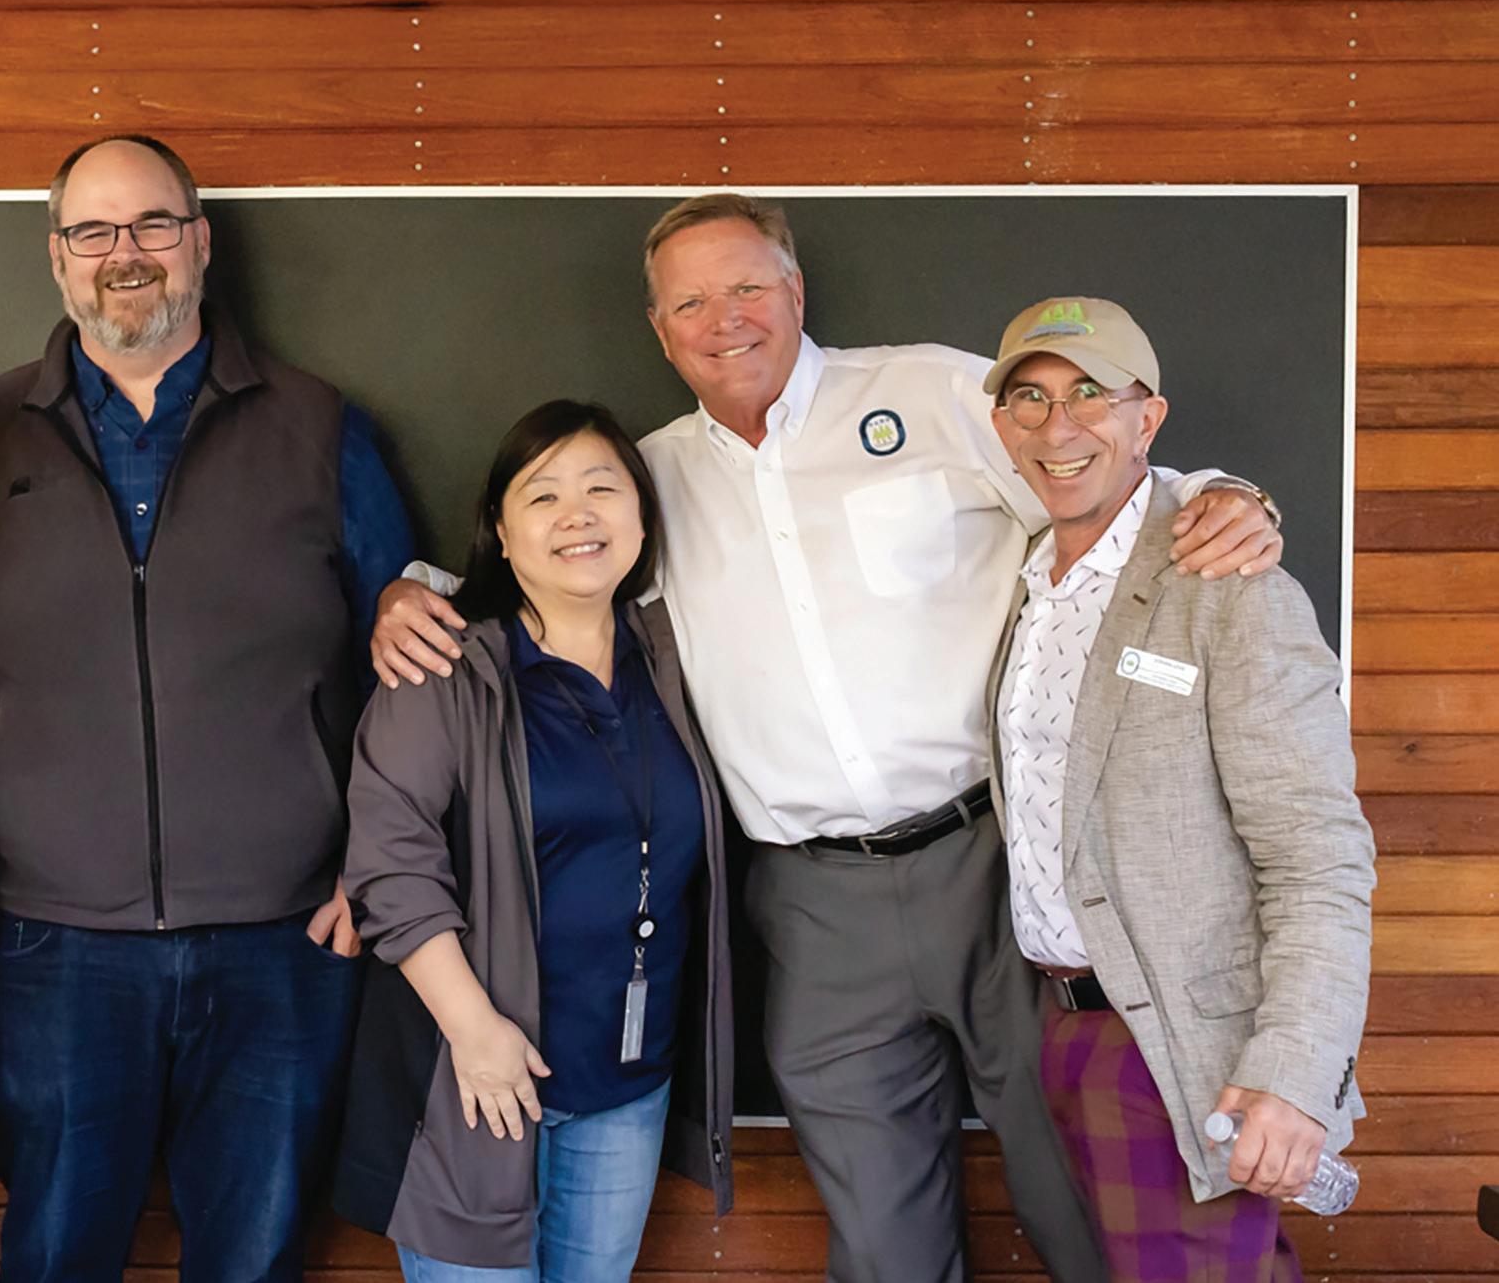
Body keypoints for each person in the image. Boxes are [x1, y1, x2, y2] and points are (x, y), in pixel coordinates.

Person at [372, 193, 1288, 1281]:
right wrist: (407, 591)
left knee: (1074, 1185)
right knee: (882, 1232)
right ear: (659, 331)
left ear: (796, 292)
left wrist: (1224, 493)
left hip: (997, 871)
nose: (725, 320)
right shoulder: (645, 478)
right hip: (812, 907)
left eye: (748, 287)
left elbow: (1094, 473)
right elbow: (536, 576)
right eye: (690, 303)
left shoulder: (933, 392)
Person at [0, 133, 417, 1281]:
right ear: (57, 257)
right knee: (55, 1258)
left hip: (287, 942)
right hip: (52, 948)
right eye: (93, 230)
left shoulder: (321, 427)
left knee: (253, 1263)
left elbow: (407, 662)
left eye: (154, 223)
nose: (126, 253)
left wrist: (381, 863)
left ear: (200, 243)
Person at [981, 297, 1373, 1279]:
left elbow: (1318, 853)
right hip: (1065, 1025)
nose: (1057, 427)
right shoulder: (1028, 580)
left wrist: (1294, 1072)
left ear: (1146, 418)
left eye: (1090, 395)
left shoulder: (1229, 584)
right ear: (1001, 424)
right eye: (1030, 398)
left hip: (1193, 1050)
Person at [333, 401, 734, 1280]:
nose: (576, 515)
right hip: (475, 1076)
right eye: (542, 496)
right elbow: (391, 867)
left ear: (642, 519)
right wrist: (475, 1033)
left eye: (601, 489)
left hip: (626, 1080)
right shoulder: (443, 663)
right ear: (503, 536)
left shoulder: (676, 658)